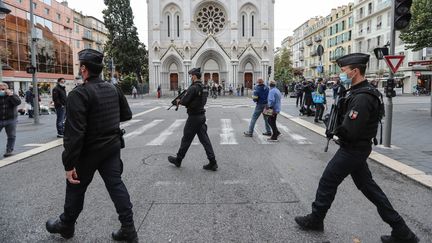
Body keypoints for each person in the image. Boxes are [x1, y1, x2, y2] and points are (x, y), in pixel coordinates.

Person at [294, 53, 419, 243]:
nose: (340, 74)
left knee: (328, 180)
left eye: (343, 71)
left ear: (355, 71)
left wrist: (334, 129)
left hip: (353, 149)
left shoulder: (363, 97)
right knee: (371, 190)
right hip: (357, 149)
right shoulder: (357, 92)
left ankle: (316, 219)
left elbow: (351, 131)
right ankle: (402, 232)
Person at [45, 49, 138, 242]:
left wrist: (69, 165)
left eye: (81, 66)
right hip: (111, 147)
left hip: (89, 151)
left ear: (85, 69)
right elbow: (126, 114)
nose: (80, 69)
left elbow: (74, 134)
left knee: (75, 187)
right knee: (116, 185)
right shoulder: (113, 88)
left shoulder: (79, 94)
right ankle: (128, 228)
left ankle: (66, 225)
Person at [168, 67, 218, 171]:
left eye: (191, 76)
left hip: (194, 117)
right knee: (205, 140)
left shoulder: (193, 88)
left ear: (195, 76)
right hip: (201, 116)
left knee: (186, 139)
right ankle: (213, 162)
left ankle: (178, 159)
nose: (191, 77)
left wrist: (178, 101)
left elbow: (185, 101)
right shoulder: (204, 87)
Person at [0, 82, 21, 157]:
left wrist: (11, 95)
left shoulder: (12, 94)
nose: (1, 90)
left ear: (6, 89)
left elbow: (18, 102)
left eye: (2, 89)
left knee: (11, 135)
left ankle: (9, 150)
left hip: (11, 119)